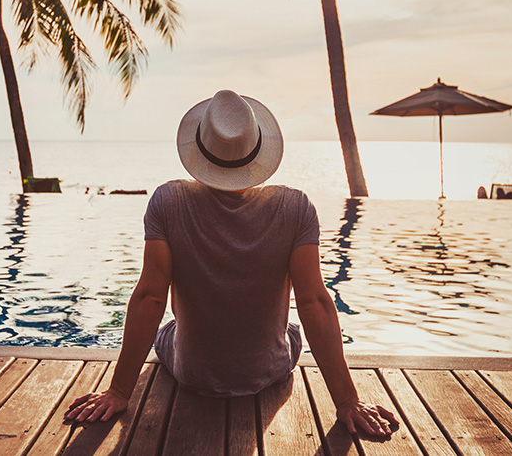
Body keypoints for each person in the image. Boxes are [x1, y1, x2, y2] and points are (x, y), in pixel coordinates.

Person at [65, 90, 396, 437]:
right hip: (268, 371)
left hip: (191, 372)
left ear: (199, 149)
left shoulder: (168, 201)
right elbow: (314, 303)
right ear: (258, 150)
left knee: (168, 331)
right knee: (293, 330)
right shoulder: (296, 208)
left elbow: (150, 298)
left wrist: (119, 391)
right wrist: (347, 401)